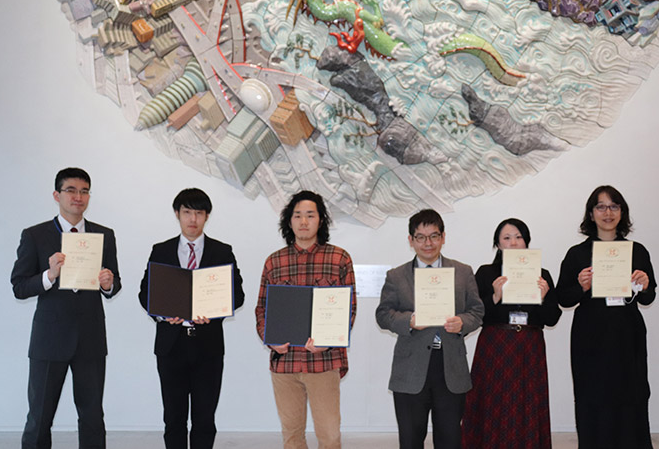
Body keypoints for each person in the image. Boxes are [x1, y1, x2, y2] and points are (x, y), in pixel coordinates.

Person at [11, 167, 121, 449]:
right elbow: (20, 286)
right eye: (71, 190)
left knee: (93, 417)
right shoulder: (35, 235)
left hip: (90, 339)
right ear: (56, 195)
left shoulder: (103, 235)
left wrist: (108, 283)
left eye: (84, 191)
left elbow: (114, 284)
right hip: (49, 341)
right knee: (39, 418)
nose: (78, 197)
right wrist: (49, 276)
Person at [139, 188, 244, 449]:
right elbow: (145, 293)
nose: (193, 219)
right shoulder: (161, 250)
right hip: (171, 346)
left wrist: (216, 311)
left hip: (207, 346)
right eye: (187, 212)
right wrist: (163, 314)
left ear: (207, 216)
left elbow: (238, 295)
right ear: (177, 214)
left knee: (204, 419)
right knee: (173, 418)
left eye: (199, 213)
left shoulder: (222, 252)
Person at [556, 185, 657, 448]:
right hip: (590, 337)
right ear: (591, 214)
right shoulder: (577, 253)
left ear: (622, 212)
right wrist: (580, 286)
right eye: (601, 206)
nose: (607, 212)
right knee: (592, 396)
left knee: (631, 394)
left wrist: (645, 284)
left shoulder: (637, 251)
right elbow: (563, 298)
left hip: (627, 335)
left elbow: (648, 297)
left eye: (614, 206)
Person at [255, 190, 356, 449]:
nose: (303, 221)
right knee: (292, 436)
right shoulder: (274, 262)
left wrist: (330, 340)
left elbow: (349, 309)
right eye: (297, 215)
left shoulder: (339, 258)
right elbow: (262, 309)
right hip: (285, 363)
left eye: (310, 215)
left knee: (330, 436)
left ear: (320, 220)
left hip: (323, 360)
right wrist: (271, 339)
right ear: (289, 222)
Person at [376, 209, 484, 449]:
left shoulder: (463, 271)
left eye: (434, 236)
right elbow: (383, 315)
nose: (428, 243)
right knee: (411, 440)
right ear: (410, 240)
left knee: (449, 440)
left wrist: (462, 323)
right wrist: (409, 321)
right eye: (421, 237)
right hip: (411, 368)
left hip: (450, 367)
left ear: (443, 237)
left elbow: (477, 311)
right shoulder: (396, 276)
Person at [460, 218, 561, 449]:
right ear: (498, 244)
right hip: (496, 346)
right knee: (493, 402)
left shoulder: (542, 274)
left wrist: (544, 297)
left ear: (527, 242)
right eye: (506, 238)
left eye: (518, 237)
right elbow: (474, 315)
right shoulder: (486, 273)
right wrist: (495, 296)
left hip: (529, 346)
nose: (513, 243)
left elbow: (552, 317)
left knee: (527, 402)